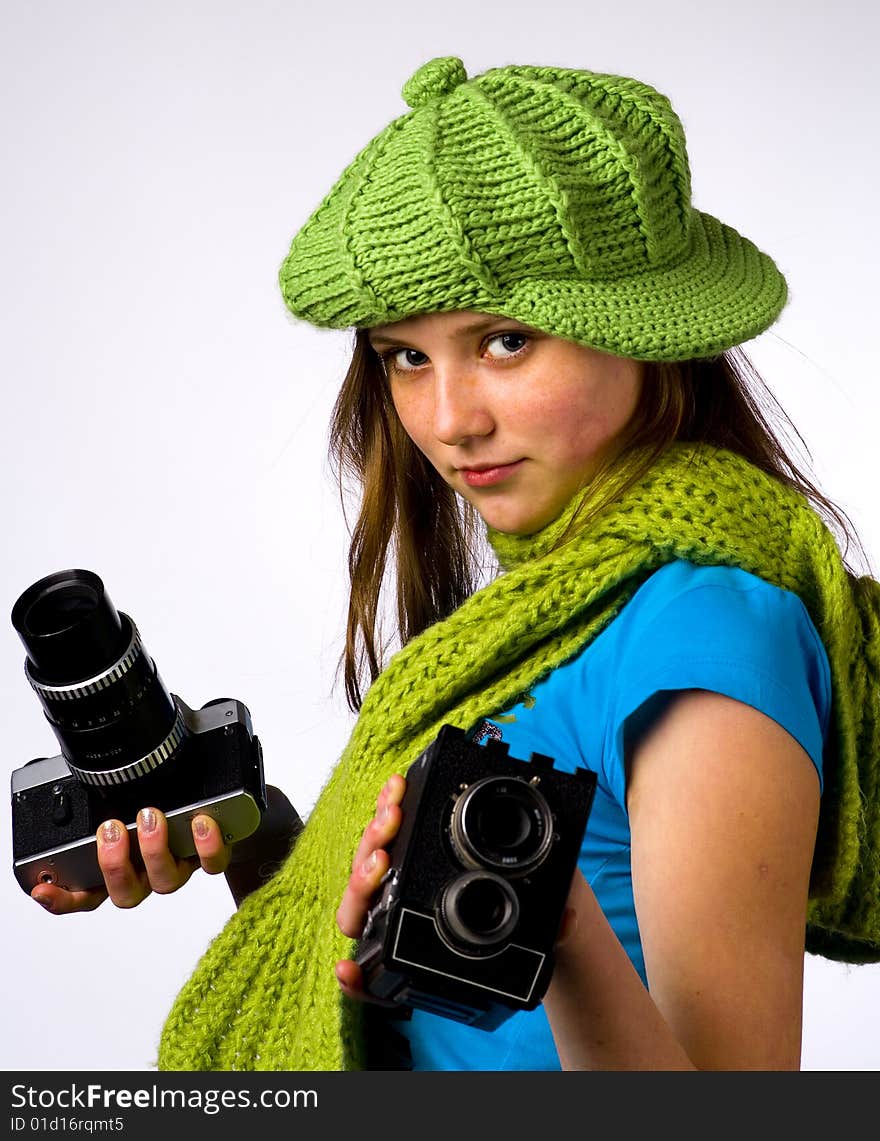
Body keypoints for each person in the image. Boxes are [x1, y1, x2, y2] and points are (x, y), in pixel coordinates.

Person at [31, 56, 880, 1071]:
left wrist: (550, 926)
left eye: (506, 341)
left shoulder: (702, 633)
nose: (449, 419)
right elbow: (428, 1021)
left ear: (646, 330)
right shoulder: (552, 606)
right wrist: (261, 845)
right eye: (406, 356)